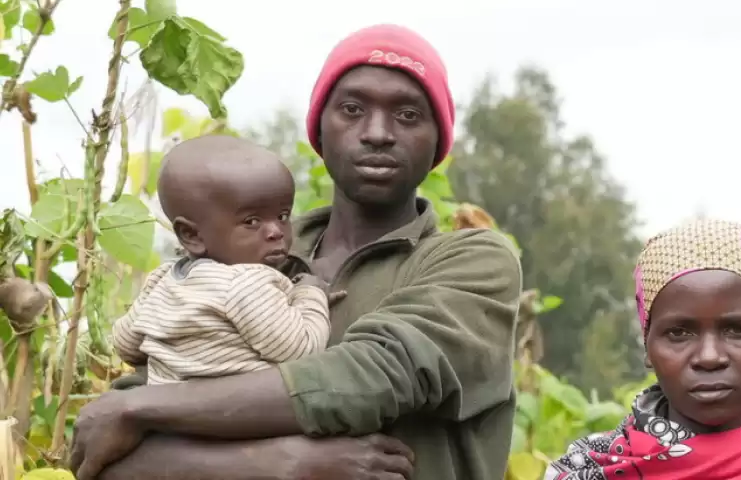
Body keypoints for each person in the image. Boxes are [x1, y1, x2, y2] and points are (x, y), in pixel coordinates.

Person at [68, 24, 522, 480]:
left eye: (407, 115)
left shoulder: (474, 263)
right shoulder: (233, 259)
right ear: (319, 131)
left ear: (438, 142)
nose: (379, 133)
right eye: (352, 109)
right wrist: (277, 464)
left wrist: (141, 411)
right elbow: (108, 448)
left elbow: (381, 373)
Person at [544, 218, 741, 479]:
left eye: (737, 330)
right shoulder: (586, 469)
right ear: (647, 347)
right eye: (679, 333)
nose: (709, 357)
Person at [111, 135, 335, 385]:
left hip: (169, 414)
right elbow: (301, 350)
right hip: (239, 419)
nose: (276, 231)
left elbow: (125, 344)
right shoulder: (246, 284)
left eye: (283, 215)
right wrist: (310, 293)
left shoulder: (162, 281)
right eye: (251, 222)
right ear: (192, 235)